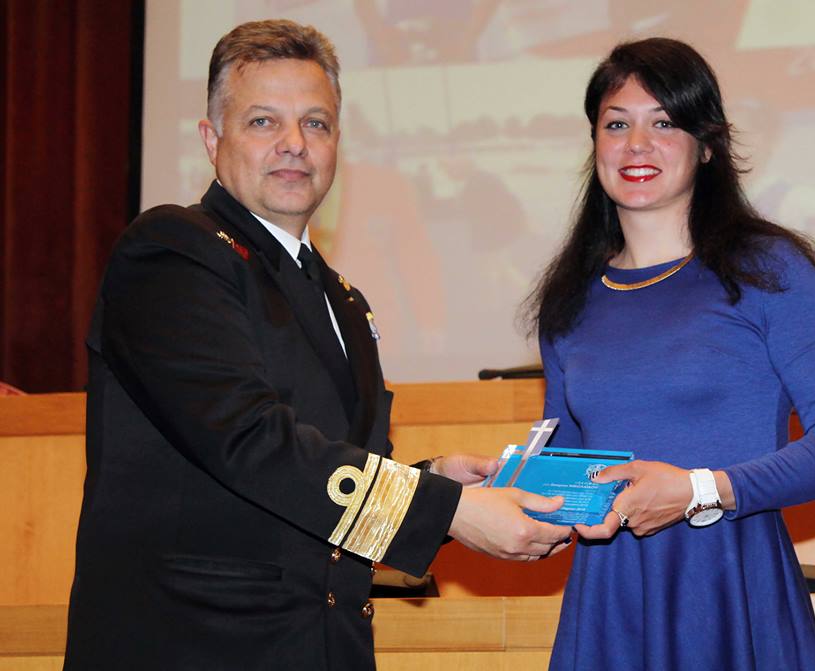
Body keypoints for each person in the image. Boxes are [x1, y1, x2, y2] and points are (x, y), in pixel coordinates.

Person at [64, 19, 571, 671]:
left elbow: (325, 484)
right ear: (212, 140)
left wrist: (433, 480)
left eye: (316, 123)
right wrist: (447, 510)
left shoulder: (343, 300)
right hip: (193, 646)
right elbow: (249, 440)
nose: (294, 144)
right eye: (263, 122)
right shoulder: (171, 252)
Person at [527, 38, 815, 670]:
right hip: (609, 601)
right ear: (595, 144)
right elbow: (570, 472)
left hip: (731, 584)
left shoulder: (768, 270)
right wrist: (493, 489)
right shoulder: (569, 300)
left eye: (664, 123)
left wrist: (700, 490)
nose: (637, 145)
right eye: (617, 125)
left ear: (708, 146)